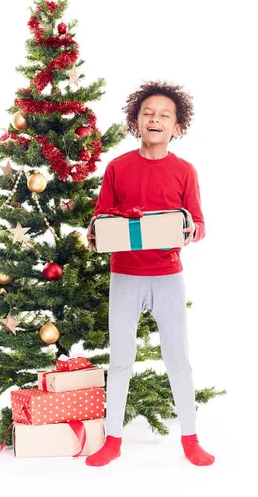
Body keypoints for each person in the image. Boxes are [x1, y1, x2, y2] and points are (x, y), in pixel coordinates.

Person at [85, 80, 215, 467]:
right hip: (125, 275)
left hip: (167, 276)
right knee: (121, 358)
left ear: (177, 127)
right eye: (147, 114)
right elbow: (100, 216)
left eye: (164, 116)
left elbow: (200, 222)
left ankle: (190, 439)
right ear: (135, 122)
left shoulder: (185, 171)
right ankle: (113, 440)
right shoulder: (118, 167)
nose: (155, 120)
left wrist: (193, 230)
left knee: (178, 358)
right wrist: (95, 233)